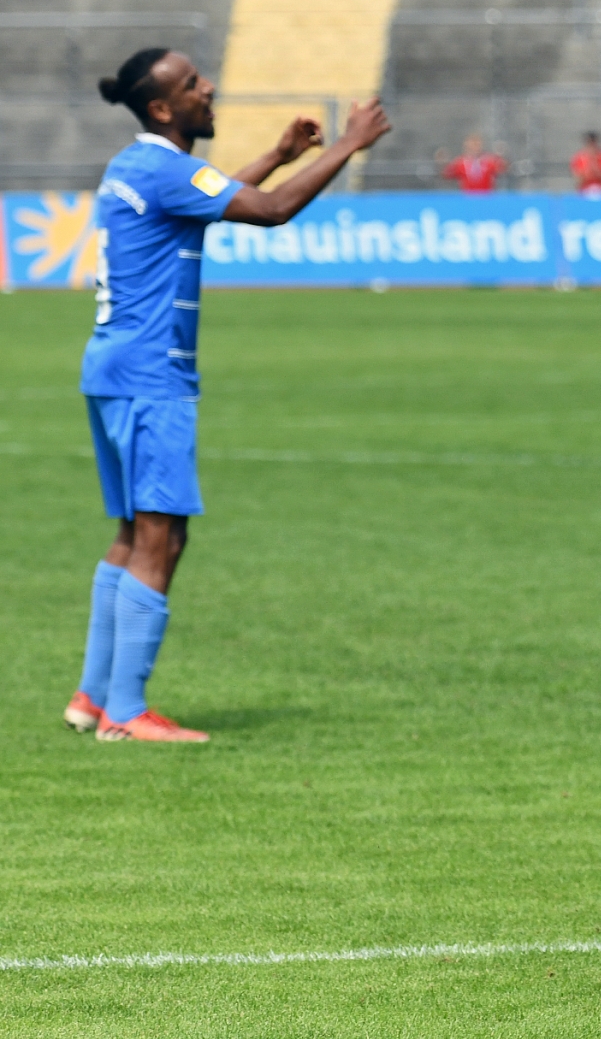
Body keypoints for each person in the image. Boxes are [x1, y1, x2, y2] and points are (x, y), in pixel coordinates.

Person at [65, 49, 389, 742]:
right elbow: (270, 211)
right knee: (162, 537)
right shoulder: (164, 170)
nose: (207, 87)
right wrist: (349, 145)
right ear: (162, 108)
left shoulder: (137, 165)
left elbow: (214, 196)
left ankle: (91, 695)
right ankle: (126, 711)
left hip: (113, 368)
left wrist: (277, 154)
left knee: (133, 533)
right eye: (192, 84)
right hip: (151, 376)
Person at [439, 134, 507, 192]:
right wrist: (442, 162)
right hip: (468, 198)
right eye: (472, 144)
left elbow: (502, 168)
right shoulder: (460, 162)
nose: (475, 147)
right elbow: (446, 174)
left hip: (486, 197)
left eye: (477, 144)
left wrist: (501, 157)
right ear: (466, 145)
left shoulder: (489, 160)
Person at [571, 131, 601, 198]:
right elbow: (578, 177)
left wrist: (594, 163)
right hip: (584, 188)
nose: (592, 146)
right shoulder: (579, 157)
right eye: (589, 143)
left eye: (593, 142)